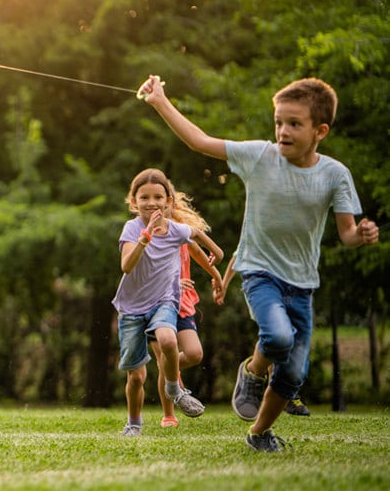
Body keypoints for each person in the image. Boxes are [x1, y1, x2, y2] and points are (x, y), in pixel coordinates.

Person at [140, 75, 379, 452]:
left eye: (294, 124)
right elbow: (199, 141)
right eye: (278, 122)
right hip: (259, 271)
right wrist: (160, 101)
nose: (282, 131)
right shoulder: (259, 156)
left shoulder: (335, 175)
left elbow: (346, 233)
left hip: (302, 282)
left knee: (293, 372)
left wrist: (361, 235)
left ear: (321, 130)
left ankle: (259, 433)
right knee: (279, 337)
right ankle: (252, 372)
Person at [113, 168, 222, 436]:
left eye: (158, 197)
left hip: (164, 301)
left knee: (169, 341)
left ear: (168, 202)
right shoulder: (132, 228)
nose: (151, 203)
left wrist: (217, 255)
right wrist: (145, 237)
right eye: (144, 197)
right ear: (134, 202)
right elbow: (127, 266)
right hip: (132, 307)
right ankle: (134, 424)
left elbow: (195, 235)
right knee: (137, 377)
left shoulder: (175, 229)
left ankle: (174, 388)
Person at [153, 191, 225, 428]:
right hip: (154, 303)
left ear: (170, 203)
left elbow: (196, 252)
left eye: (161, 199)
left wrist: (216, 277)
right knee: (165, 353)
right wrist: (172, 283)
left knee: (194, 354)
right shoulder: (144, 235)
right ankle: (169, 415)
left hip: (182, 303)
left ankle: (170, 371)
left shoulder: (180, 231)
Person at [218, 254, 311, 417]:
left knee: (288, 336)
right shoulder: (255, 233)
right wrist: (223, 284)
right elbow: (236, 257)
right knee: (275, 334)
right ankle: (266, 384)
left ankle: (280, 391)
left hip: (288, 285)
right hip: (261, 287)